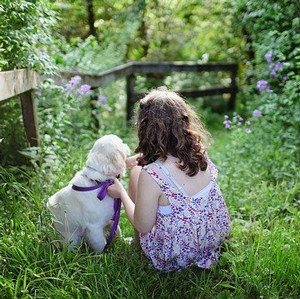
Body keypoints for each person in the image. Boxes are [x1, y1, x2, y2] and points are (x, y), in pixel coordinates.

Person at [107, 88, 231, 271]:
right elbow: (170, 164)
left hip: (176, 254)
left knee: (136, 173)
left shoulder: (151, 174)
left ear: (146, 128)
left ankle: (138, 245)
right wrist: (142, 158)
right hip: (212, 240)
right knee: (140, 171)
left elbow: (143, 225)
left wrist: (122, 194)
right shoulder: (199, 153)